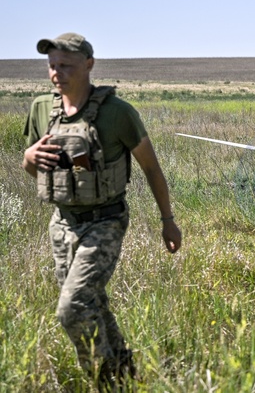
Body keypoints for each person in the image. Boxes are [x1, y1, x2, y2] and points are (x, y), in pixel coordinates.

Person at [22, 32, 182, 388]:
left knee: (72, 308)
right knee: (91, 301)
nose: (57, 73)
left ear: (89, 65)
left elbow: (151, 168)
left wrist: (168, 221)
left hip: (106, 220)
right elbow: (35, 168)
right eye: (52, 65)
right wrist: (29, 158)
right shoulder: (41, 109)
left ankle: (103, 381)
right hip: (62, 223)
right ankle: (124, 374)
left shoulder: (117, 113)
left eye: (66, 65)